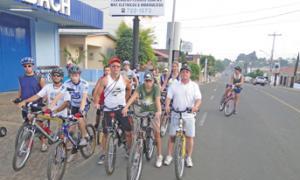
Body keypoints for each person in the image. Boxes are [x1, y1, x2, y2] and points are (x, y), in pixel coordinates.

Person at [18, 68, 70, 152]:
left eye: (58, 75)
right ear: (51, 77)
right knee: (36, 121)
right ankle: (47, 135)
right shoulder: (48, 87)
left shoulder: (65, 88)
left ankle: (63, 150)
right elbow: (37, 96)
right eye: (54, 75)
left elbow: (66, 104)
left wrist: (55, 111)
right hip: (49, 112)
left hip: (60, 114)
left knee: (62, 136)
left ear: (61, 77)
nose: (56, 77)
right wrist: (25, 101)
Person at [93, 56, 132, 165]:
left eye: (118, 66)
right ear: (110, 67)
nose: (116, 68)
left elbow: (129, 89)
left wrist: (126, 100)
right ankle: (104, 153)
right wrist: (96, 103)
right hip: (108, 110)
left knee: (129, 132)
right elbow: (98, 93)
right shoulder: (105, 80)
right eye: (113, 66)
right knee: (106, 133)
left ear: (120, 68)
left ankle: (129, 150)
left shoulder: (124, 80)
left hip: (121, 109)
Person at [122, 72, 163, 168]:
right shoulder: (140, 87)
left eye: (150, 81)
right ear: (144, 81)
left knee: (157, 133)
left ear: (153, 81)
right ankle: (137, 152)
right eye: (146, 81)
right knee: (137, 133)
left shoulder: (156, 88)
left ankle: (159, 156)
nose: (148, 83)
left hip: (153, 111)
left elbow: (157, 100)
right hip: (142, 111)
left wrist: (159, 111)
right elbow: (133, 97)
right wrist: (126, 107)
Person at [164, 64, 202, 168]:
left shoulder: (194, 85)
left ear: (190, 74)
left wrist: (196, 107)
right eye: (183, 72)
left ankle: (188, 157)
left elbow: (198, 99)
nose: (185, 73)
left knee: (189, 137)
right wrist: (167, 106)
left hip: (189, 115)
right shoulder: (174, 85)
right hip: (176, 113)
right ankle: (169, 155)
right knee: (172, 136)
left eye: (187, 72)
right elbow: (168, 97)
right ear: (180, 73)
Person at [15, 57, 46, 122]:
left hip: (36, 104)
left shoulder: (39, 77)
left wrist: (44, 102)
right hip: (25, 105)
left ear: (33, 66)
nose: (27, 67)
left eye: (29, 66)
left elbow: (44, 91)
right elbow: (20, 89)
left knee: (38, 125)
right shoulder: (21, 78)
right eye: (25, 66)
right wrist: (17, 99)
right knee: (26, 123)